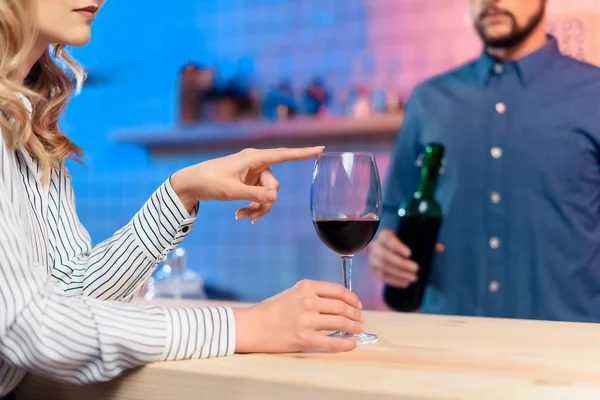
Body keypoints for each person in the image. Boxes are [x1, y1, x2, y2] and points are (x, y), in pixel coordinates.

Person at [0, 1, 366, 397]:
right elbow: (32, 327)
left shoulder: (27, 124)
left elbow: (68, 293)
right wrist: (245, 326)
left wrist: (180, 192)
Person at [369, 0, 600, 322]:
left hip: (569, 342)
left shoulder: (594, 93)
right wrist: (384, 247)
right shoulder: (429, 99)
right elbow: (392, 207)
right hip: (447, 336)